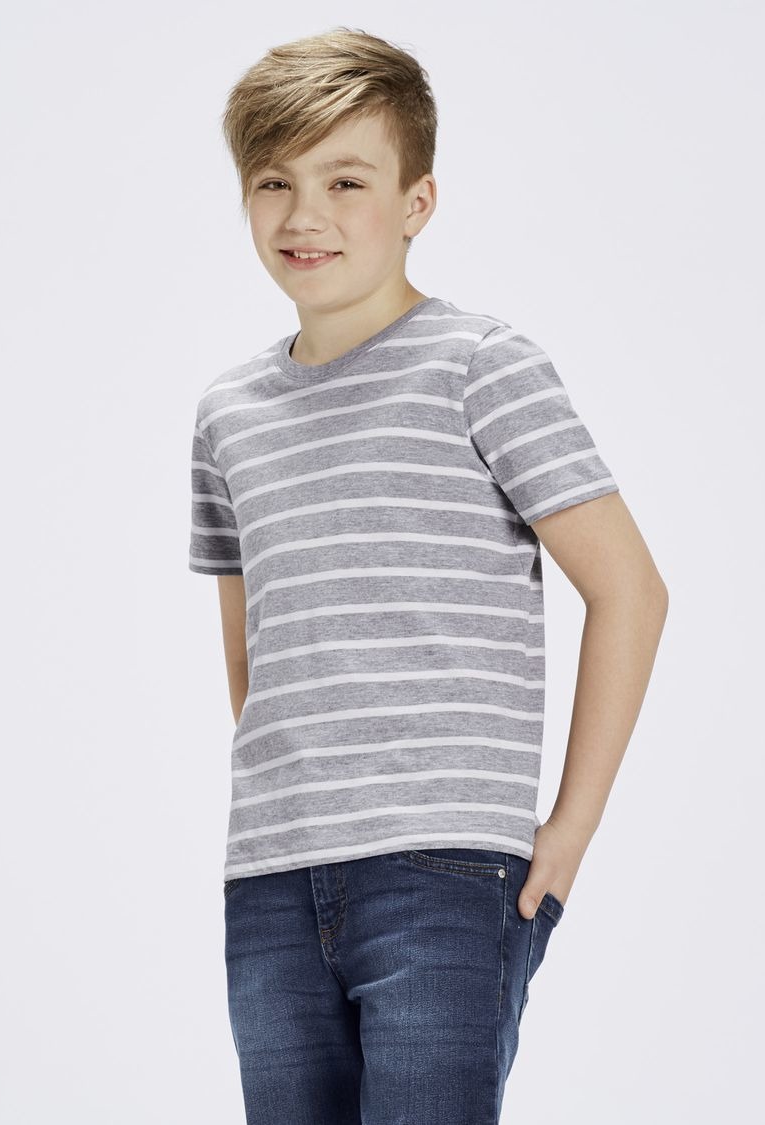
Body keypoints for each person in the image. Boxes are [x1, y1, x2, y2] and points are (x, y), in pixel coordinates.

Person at [187, 26, 668, 1125]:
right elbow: (254, 650)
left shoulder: (480, 366)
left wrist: (569, 829)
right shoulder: (229, 414)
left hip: (443, 869)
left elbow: (630, 590)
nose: (304, 215)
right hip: (270, 878)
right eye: (274, 182)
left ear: (418, 202)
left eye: (346, 181)